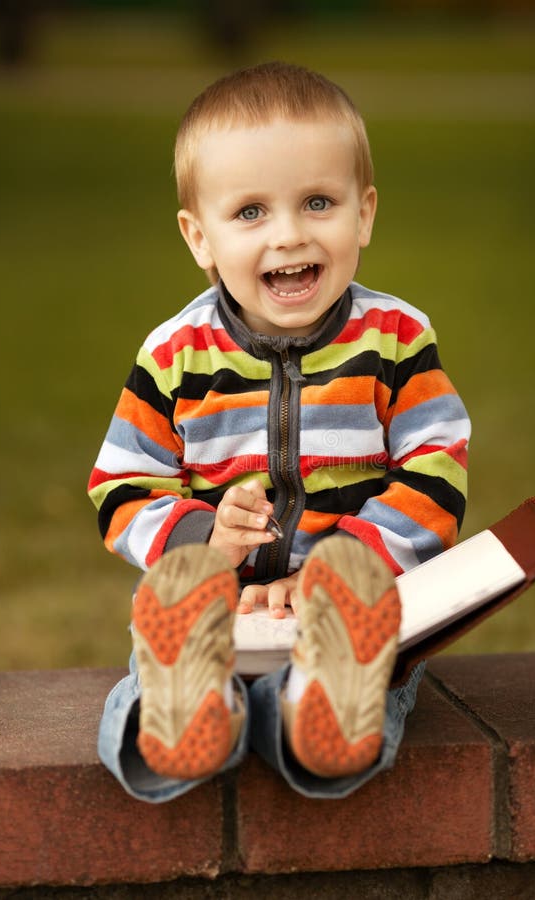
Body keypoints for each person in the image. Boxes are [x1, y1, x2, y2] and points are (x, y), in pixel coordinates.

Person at [88, 62, 470, 803]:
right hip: (218, 610)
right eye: (251, 212)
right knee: (161, 673)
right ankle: (187, 701)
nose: (289, 235)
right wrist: (206, 539)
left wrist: (341, 565)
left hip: (345, 610)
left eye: (318, 202)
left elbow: (436, 466)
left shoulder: (395, 341)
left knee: (359, 690)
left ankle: (311, 700)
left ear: (364, 214)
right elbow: (122, 485)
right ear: (199, 237)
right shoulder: (175, 357)